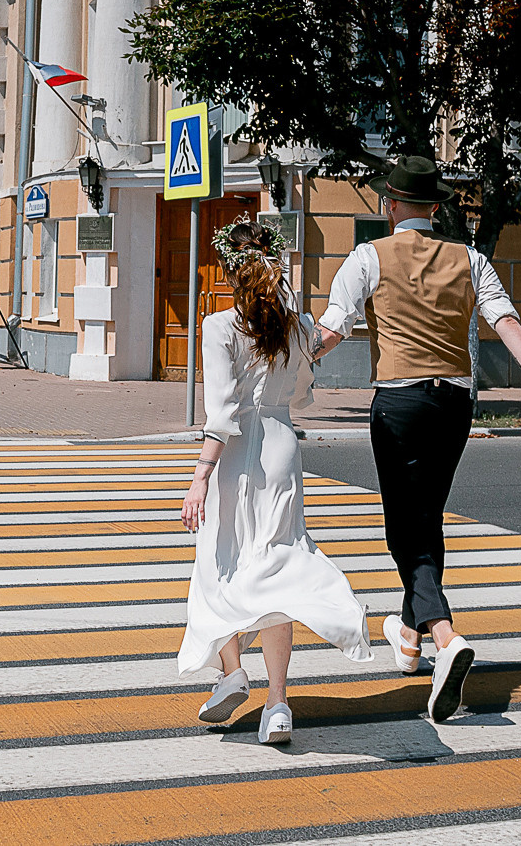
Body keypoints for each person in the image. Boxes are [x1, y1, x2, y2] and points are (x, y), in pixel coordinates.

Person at [314, 155, 521, 722]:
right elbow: (505, 321)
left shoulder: (367, 256)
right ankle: (409, 638)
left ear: (390, 205)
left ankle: (445, 636)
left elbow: (334, 327)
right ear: (434, 207)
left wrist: (286, 364)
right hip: (454, 403)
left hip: (399, 403)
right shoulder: (470, 258)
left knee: (405, 528)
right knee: (425, 519)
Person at [178, 219, 372, 745]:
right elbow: (316, 359)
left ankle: (233, 672)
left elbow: (221, 414)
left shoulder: (220, 326)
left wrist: (200, 477)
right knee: (278, 567)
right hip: (281, 449)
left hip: (236, 454)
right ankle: (278, 704)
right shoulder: (295, 327)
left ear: (230, 273)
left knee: (219, 562)